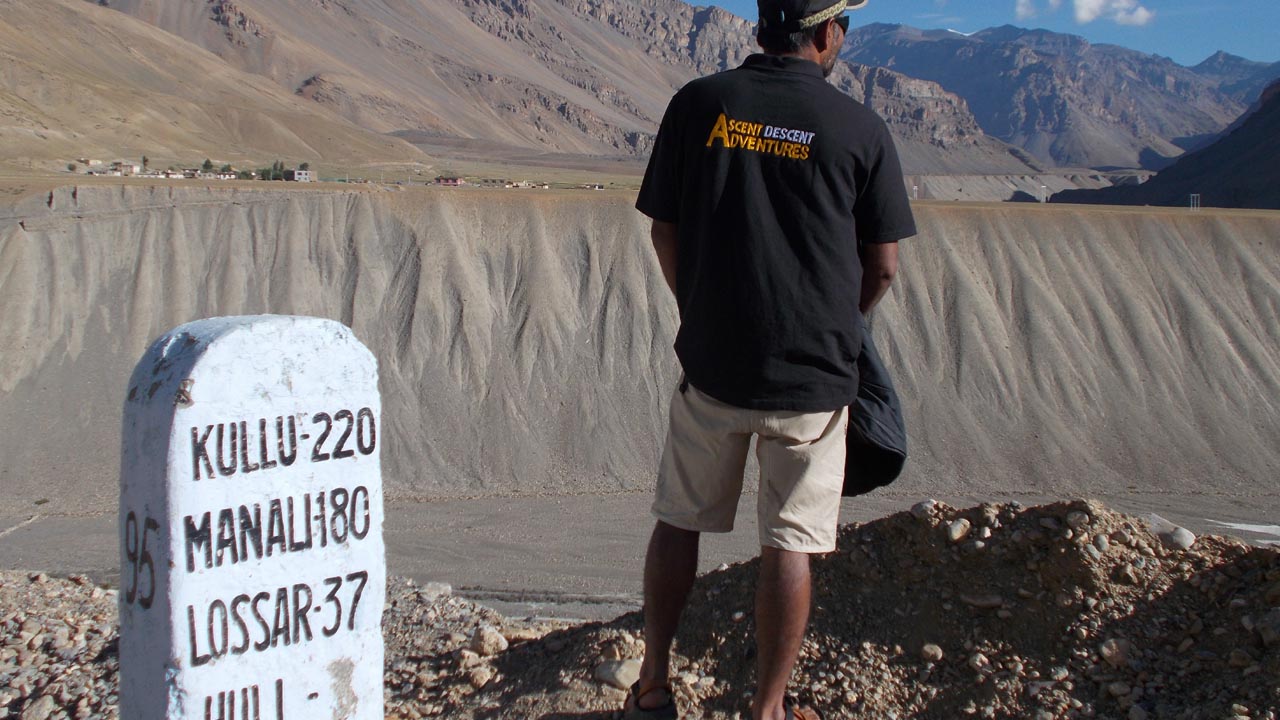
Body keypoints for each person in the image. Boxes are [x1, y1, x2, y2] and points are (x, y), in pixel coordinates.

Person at [626, 1, 917, 718]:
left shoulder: (699, 104)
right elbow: (881, 268)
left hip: (714, 366)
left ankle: (655, 686)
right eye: (842, 24)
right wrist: (833, 328)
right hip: (812, 382)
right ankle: (768, 709)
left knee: (678, 520)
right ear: (825, 34)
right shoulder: (860, 127)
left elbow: (665, 230)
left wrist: (700, 309)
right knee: (791, 541)